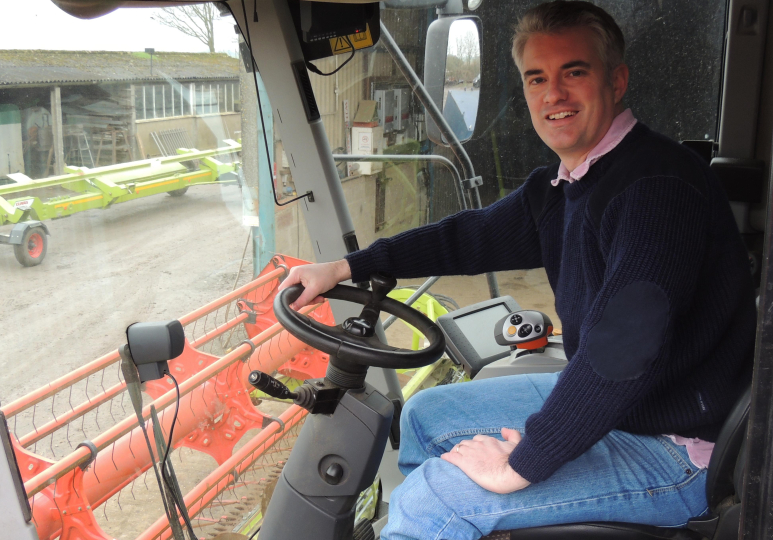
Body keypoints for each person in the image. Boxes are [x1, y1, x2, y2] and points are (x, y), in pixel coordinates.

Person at [278, 1, 756, 538]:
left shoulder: (657, 189)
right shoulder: (568, 185)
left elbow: (623, 350)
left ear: (617, 81)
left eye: (574, 71)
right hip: (634, 409)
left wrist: (520, 464)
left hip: (678, 447)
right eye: (536, 78)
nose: (553, 93)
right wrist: (346, 265)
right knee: (424, 416)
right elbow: (464, 239)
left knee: (434, 502)